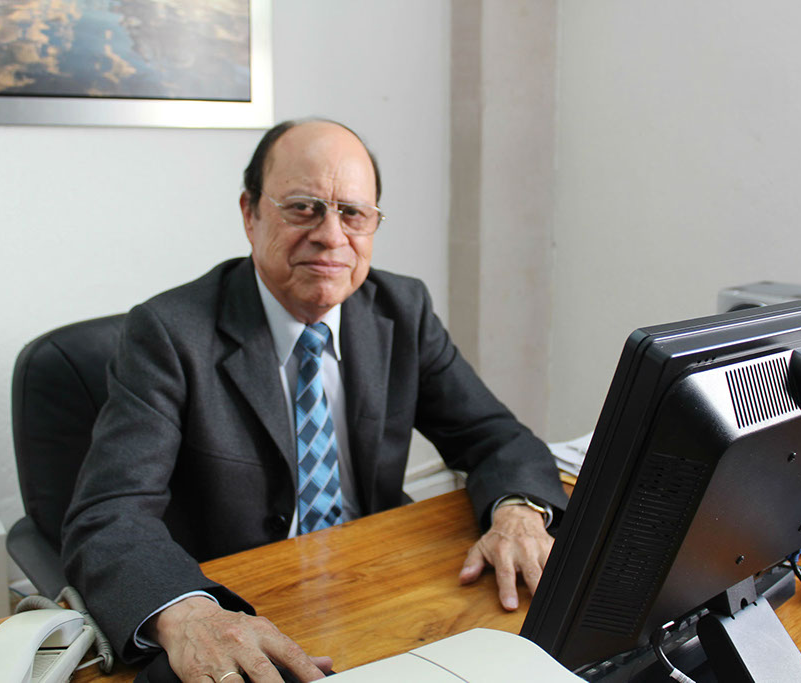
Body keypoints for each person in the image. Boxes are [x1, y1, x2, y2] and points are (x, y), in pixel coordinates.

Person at [61, 118, 568, 683]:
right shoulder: (169, 333)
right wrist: (188, 614)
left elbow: (494, 436)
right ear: (250, 214)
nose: (331, 235)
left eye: (353, 213)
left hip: (374, 588)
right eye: (303, 208)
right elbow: (109, 514)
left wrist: (518, 513)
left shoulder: (401, 310)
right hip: (239, 608)